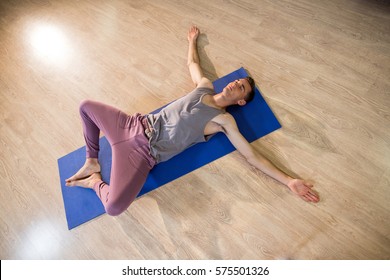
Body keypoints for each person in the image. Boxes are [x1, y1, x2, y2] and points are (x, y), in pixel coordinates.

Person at [66, 25, 319, 216]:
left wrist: (289, 181)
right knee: (85, 106)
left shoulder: (224, 121)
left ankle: (95, 182)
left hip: (142, 155)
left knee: (114, 207)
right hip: (133, 124)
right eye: (237, 80)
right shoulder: (205, 86)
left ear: (241, 101)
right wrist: (192, 41)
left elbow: (252, 157)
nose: (234, 83)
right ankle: (91, 161)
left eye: (241, 87)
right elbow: (192, 63)